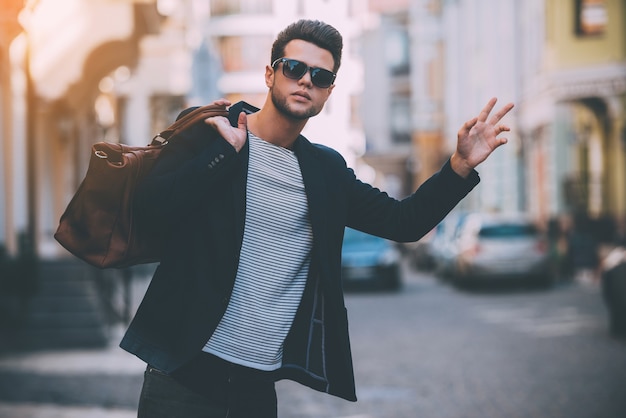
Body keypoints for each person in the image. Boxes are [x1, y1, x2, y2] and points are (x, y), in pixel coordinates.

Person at [121, 19, 514, 418]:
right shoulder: (212, 129)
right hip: (181, 373)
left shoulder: (324, 171)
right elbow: (150, 207)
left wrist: (459, 165)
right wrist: (223, 156)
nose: (305, 80)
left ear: (328, 91)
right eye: (294, 68)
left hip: (256, 387)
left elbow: (404, 222)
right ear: (271, 73)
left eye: (321, 76)